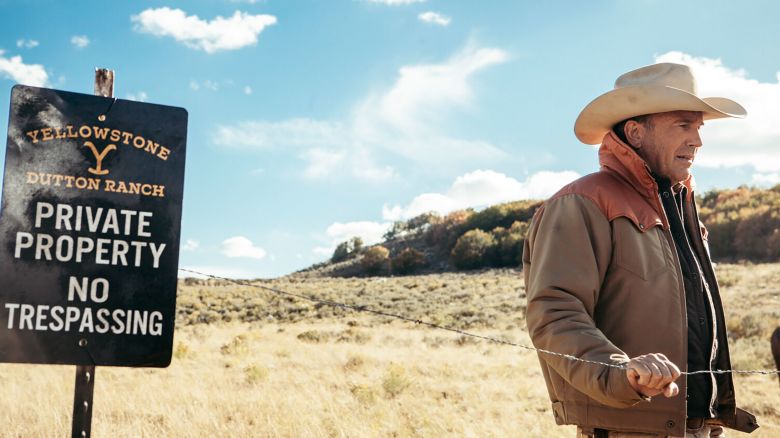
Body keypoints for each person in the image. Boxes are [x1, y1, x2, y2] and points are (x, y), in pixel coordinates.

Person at [522, 63, 759, 437]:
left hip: (699, 429)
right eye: (683, 125)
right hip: (628, 430)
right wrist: (621, 372)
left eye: (699, 127)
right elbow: (554, 312)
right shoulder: (582, 203)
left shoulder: (683, 212)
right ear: (635, 132)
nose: (697, 140)